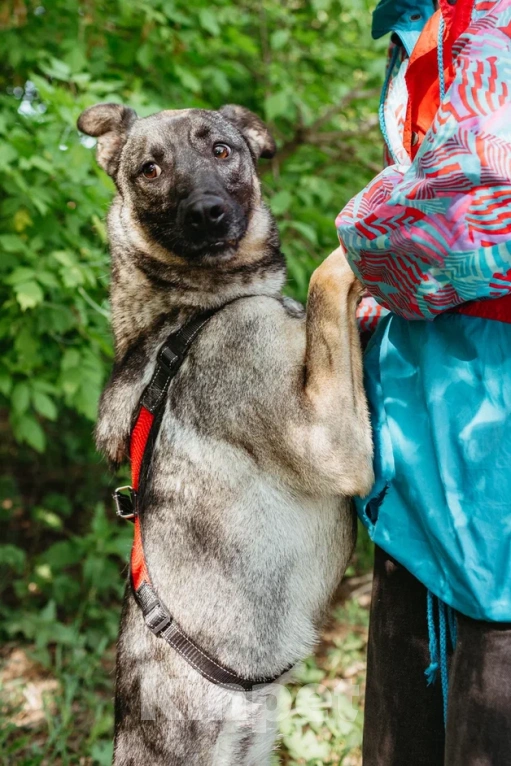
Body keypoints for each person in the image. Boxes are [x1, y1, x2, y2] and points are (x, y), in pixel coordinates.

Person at [336, 0, 511, 763]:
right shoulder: (427, 18)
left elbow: (471, 212)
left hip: (488, 473)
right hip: (419, 453)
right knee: (408, 732)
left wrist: (355, 242)